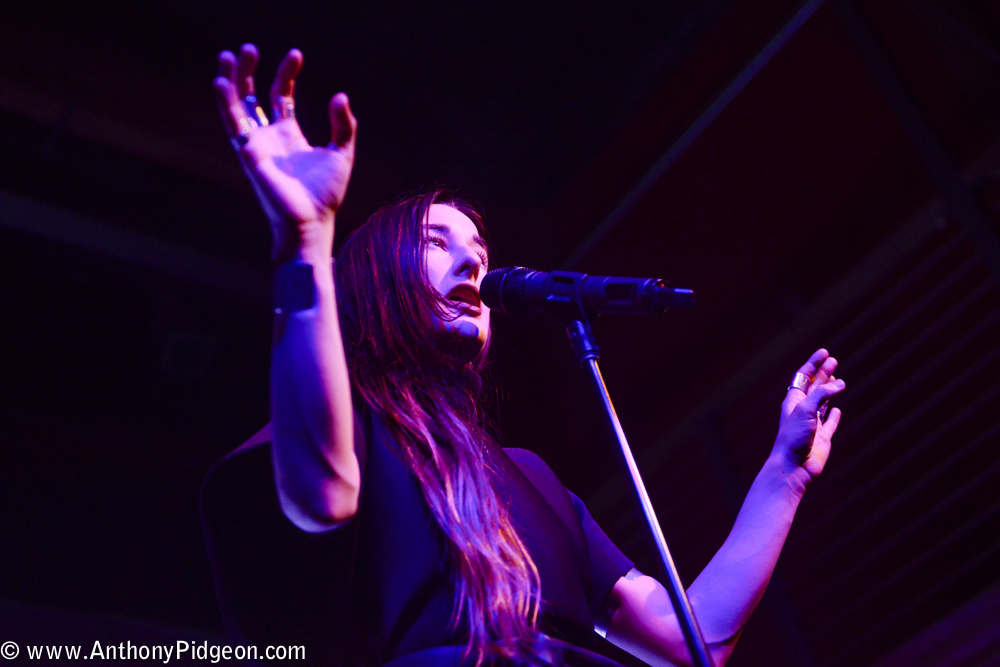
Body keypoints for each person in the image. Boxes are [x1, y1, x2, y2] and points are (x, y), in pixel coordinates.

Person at [201, 44, 847, 667]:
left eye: (479, 250)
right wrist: (305, 244)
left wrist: (784, 473)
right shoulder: (360, 429)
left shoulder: (533, 479)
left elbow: (694, 639)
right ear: (377, 279)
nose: (471, 260)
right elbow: (318, 496)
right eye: (436, 242)